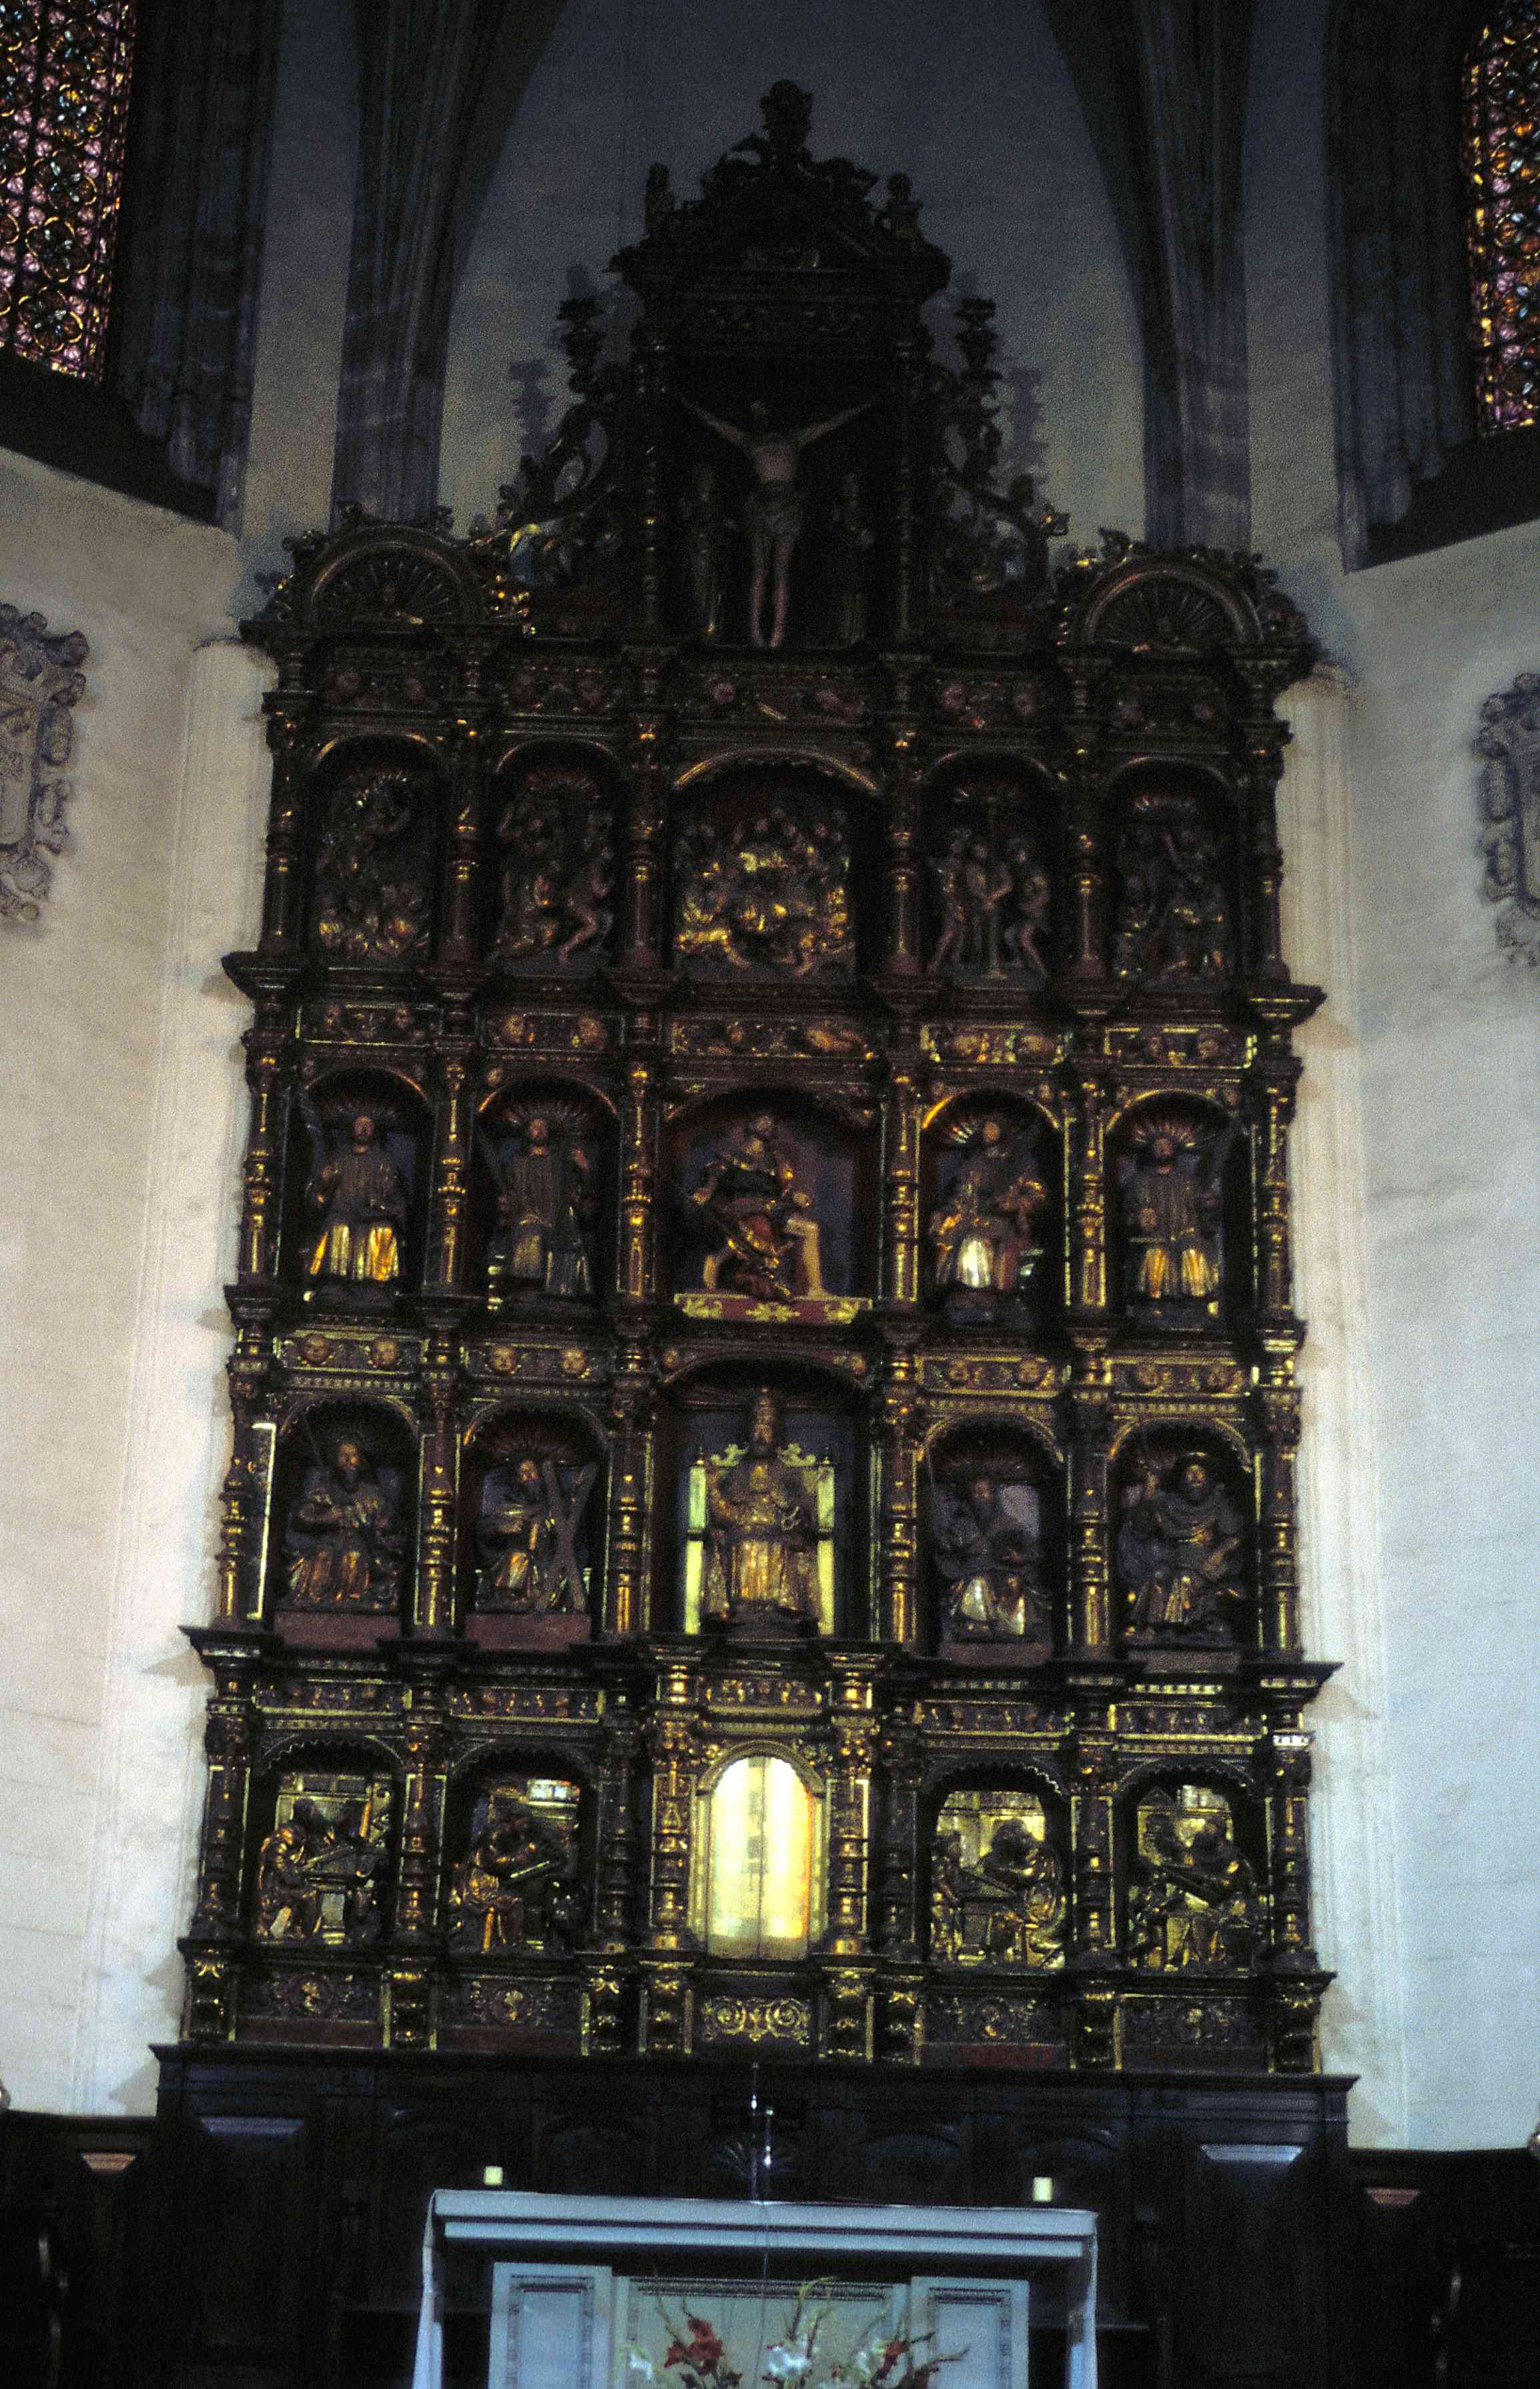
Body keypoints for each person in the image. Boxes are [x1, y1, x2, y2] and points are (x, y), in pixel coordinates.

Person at [680, 392, 873, 647]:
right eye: (758, 414)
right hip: (762, 505)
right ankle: (756, 633)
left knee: (780, 571)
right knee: (760, 571)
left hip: (787, 506)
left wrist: (863, 406)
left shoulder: (793, 439)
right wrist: (688, 404)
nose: (763, 419)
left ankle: (777, 635)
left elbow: (831, 423)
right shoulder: (752, 441)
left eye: (764, 413)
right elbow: (718, 425)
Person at [700, 1389, 821, 1630]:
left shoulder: (789, 1474)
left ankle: (783, 1610)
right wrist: (713, 1489)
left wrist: (799, 1514)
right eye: (756, 1426)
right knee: (733, 1541)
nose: (760, 1434)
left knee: (790, 1547)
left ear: (776, 1433)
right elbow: (723, 1516)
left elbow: (805, 1515)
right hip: (739, 1534)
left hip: (781, 1536)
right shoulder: (736, 1473)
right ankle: (740, 1610)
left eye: (767, 1427)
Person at [689, 1114, 826, 1299]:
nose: (768, 1124)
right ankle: (717, 1260)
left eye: (771, 1122)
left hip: (773, 1207)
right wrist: (707, 1190)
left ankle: (815, 1288)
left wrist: (796, 1197)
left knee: (811, 1229)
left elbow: (784, 1190)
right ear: (751, 1125)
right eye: (763, 1120)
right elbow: (716, 1176)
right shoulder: (733, 1155)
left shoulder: (776, 1160)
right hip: (744, 1204)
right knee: (761, 1227)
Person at [1118, 1452, 1244, 1640]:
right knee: (1158, 1575)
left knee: (1184, 1580)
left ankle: (1179, 1629)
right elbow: (1141, 1529)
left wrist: (1219, 1553)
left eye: (1200, 1473)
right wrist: (1149, 1497)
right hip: (1173, 1559)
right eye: (1190, 1473)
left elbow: (1235, 1537)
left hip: (1206, 1566)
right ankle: (1152, 1629)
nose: (1195, 1478)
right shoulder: (1167, 1504)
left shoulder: (1219, 1504)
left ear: (1209, 1479)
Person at [929, 1116, 1048, 1302]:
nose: (988, 1133)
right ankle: (956, 1290)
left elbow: (1037, 1195)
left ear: (1002, 1132)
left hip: (1004, 1222)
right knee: (948, 1233)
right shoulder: (973, 1163)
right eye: (986, 1128)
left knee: (975, 1239)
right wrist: (948, 1212)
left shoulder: (1017, 1163)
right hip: (971, 1217)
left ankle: (981, 1291)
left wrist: (1015, 1204)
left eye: (993, 1129)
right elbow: (961, 1196)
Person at [284, 1435, 405, 1611]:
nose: (349, 1461)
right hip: (328, 1539)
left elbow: (388, 1524)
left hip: (360, 1542)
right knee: (322, 1556)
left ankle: (352, 1602)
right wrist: (326, 1517)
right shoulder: (324, 1490)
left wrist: (380, 1525)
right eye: (343, 1455)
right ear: (335, 1460)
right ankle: (314, 1601)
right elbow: (302, 1515)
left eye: (353, 1455)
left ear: (361, 1460)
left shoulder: (373, 1494)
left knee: (353, 1556)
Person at [485, 1111, 594, 1303]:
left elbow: (578, 1193)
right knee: (531, 1231)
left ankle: (559, 1294)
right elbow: (511, 1193)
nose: (540, 1130)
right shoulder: (518, 1164)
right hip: (525, 1216)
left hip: (558, 1218)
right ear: (528, 1132)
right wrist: (506, 1204)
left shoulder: (561, 1164)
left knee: (559, 1235)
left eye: (543, 1127)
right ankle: (528, 1288)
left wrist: (584, 1169)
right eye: (535, 1127)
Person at [303, 1110, 409, 1287]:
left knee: (383, 1230)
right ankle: (334, 1282)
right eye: (360, 1124)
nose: (364, 1129)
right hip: (342, 1214)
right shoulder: (338, 1159)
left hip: (373, 1216)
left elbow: (393, 1195)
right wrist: (324, 1181)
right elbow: (316, 1197)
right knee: (339, 1228)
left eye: (368, 1125)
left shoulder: (384, 1161)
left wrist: (381, 1204)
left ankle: (377, 1284)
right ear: (352, 1128)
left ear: (374, 1130)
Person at [1122, 1122, 1221, 1311]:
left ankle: (1196, 1302)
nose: (1162, 1150)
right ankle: (1153, 1304)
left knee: (1193, 1252)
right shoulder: (1140, 1182)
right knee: (1155, 1253)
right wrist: (1139, 1219)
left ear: (1174, 1149)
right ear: (1151, 1150)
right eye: (1158, 1146)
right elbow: (1128, 1215)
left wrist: (1208, 1207)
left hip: (1187, 1234)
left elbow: (1206, 1215)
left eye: (1166, 1146)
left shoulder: (1189, 1181)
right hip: (1154, 1237)